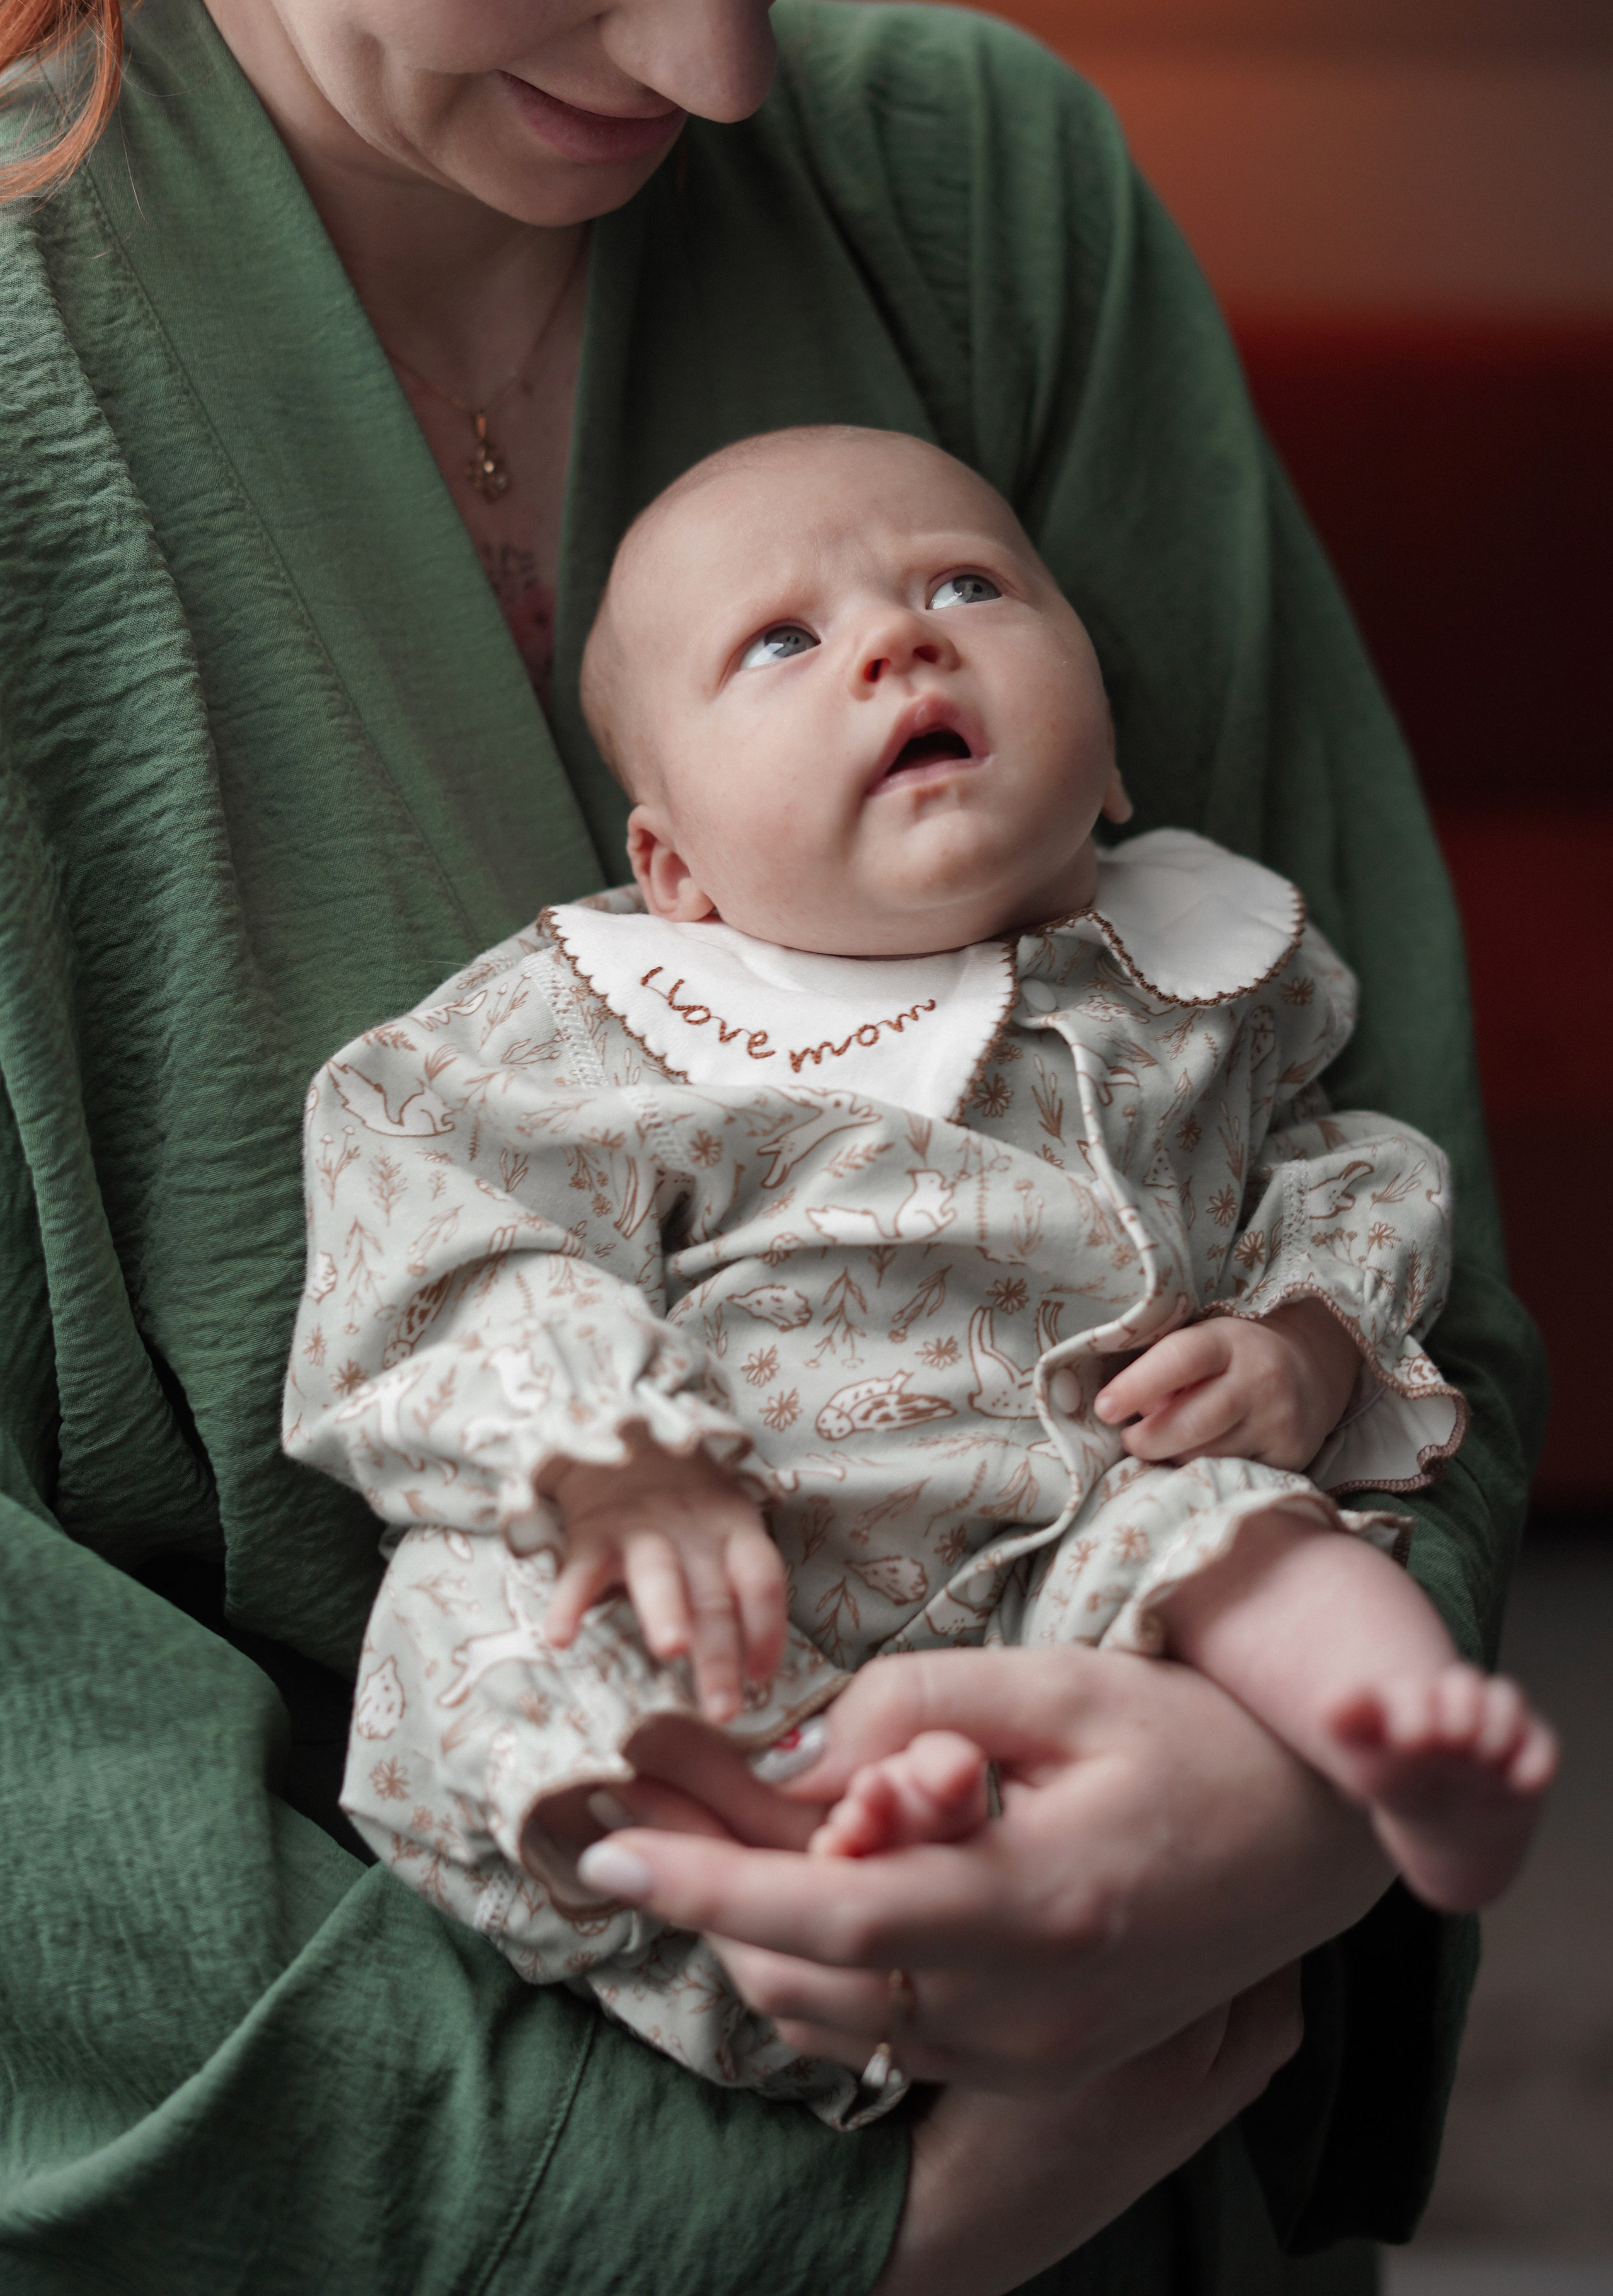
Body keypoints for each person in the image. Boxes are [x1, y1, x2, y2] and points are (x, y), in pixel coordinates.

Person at [0, 0, 1545, 2288]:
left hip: (1155, 2141)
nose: (719, 59)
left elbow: (1364, 1175)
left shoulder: (987, 188)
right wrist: (770, 2230)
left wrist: (1288, 1803)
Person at [285, 424, 1553, 2121]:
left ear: (1111, 764)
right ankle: (773, 1868)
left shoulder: (1199, 980)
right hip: (720, 1570)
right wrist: (605, 1450)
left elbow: (1348, 1173)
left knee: (1247, 1539)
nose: (898, 639)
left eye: (966, 585)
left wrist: (1303, 1342)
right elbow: (440, 1223)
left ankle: (1395, 1727)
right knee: (487, 1617)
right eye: (781, 641)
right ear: (676, 870)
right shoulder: (607, 1025)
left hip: (1088, 1523)